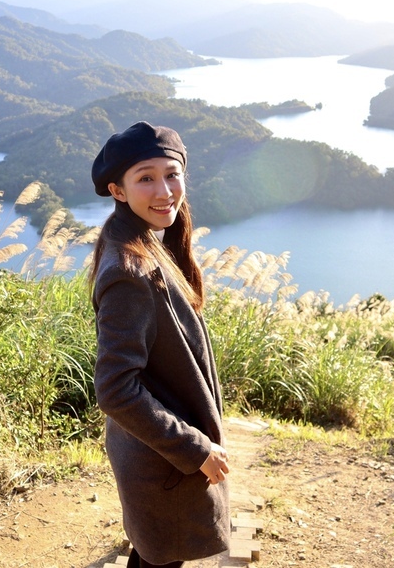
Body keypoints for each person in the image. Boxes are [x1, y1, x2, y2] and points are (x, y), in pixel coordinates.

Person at [89, 121, 230, 568]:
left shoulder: (141, 242)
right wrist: (195, 449)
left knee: (155, 554)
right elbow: (114, 389)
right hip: (164, 460)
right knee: (159, 559)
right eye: (145, 178)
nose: (164, 189)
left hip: (153, 455)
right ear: (118, 190)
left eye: (172, 174)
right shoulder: (129, 271)